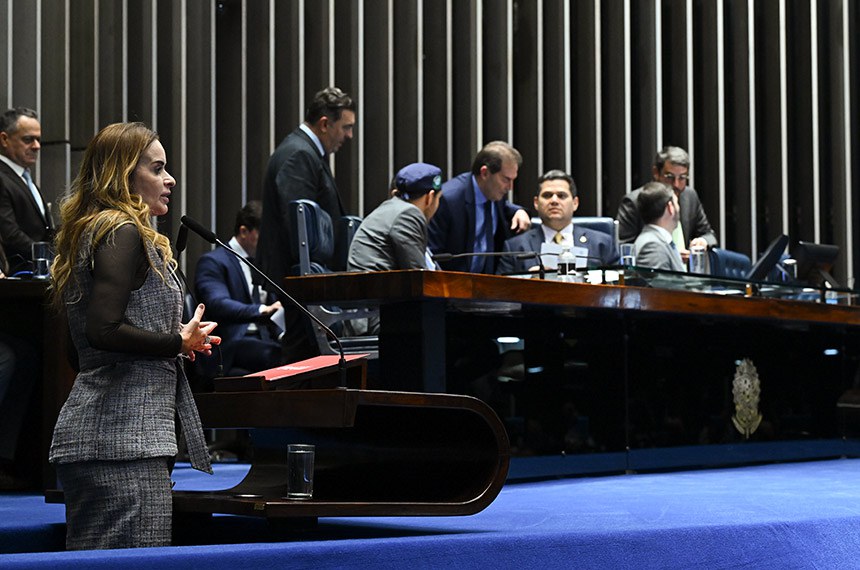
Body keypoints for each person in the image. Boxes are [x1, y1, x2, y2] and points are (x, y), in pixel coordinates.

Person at [48, 122, 219, 550]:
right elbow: (103, 330)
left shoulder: (90, 230)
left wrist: (173, 338)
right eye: (157, 168)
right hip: (126, 445)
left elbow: (79, 348)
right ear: (123, 175)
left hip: (97, 437)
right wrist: (176, 343)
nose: (170, 179)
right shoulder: (122, 231)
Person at [258, 86, 355, 362]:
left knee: (308, 357)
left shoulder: (305, 151)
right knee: (304, 359)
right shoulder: (299, 154)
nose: (349, 135)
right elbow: (299, 228)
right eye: (346, 127)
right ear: (325, 124)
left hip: (306, 279)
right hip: (302, 280)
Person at [194, 201, 283, 378]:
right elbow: (218, 304)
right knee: (280, 356)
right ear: (244, 231)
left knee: (300, 352)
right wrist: (262, 310)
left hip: (265, 339)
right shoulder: (214, 262)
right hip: (231, 345)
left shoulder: (262, 263)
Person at [427, 141, 531, 274]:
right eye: (506, 179)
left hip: (488, 284)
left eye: (513, 180)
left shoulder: (493, 192)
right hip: (453, 284)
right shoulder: (449, 200)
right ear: (485, 173)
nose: (510, 187)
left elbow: (504, 206)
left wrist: (518, 210)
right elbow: (433, 255)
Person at [497, 169, 617, 275]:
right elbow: (500, 294)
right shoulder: (515, 247)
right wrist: (528, 283)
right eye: (547, 195)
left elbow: (620, 286)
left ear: (575, 203)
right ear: (536, 203)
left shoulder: (602, 243)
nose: (554, 201)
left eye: (561, 196)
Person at [616, 146, 717, 259]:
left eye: (682, 178)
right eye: (670, 177)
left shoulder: (690, 197)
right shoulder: (635, 201)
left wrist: (702, 241)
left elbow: (709, 235)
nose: (676, 184)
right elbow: (623, 249)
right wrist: (667, 255)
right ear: (656, 173)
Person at [347, 162, 443, 273]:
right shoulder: (409, 215)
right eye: (439, 198)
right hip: (379, 288)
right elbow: (418, 276)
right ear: (429, 198)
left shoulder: (391, 208)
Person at [0, 107, 54, 273]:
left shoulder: (25, 178)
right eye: (28, 139)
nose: (36, 146)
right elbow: (9, 234)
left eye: (38, 139)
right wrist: (50, 257)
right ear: (4, 139)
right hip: (17, 281)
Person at [632, 181, 686, 271]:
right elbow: (663, 285)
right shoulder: (653, 247)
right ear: (670, 207)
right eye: (677, 202)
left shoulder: (655, 240)